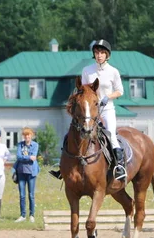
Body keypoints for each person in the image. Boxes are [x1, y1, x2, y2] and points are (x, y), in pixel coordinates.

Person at [49, 39, 126, 181]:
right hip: (88, 111)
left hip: (106, 109)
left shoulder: (113, 72)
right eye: (97, 52)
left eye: (102, 52)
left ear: (107, 55)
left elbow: (120, 91)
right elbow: (83, 90)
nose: (99, 55)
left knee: (112, 136)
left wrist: (108, 97)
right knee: (71, 133)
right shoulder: (87, 70)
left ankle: (119, 166)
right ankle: (63, 167)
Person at [13, 127, 39, 223]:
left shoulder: (35, 145)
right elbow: (19, 157)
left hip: (31, 173)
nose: (27, 136)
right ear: (23, 136)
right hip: (21, 172)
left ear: (31, 135)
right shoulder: (20, 145)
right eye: (25, 135)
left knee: (31, 195)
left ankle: (32, 215)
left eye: (28, 135)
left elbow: (34, 157)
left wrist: (25, 157)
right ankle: (22, 215)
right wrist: (28, 157)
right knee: (22, 195)